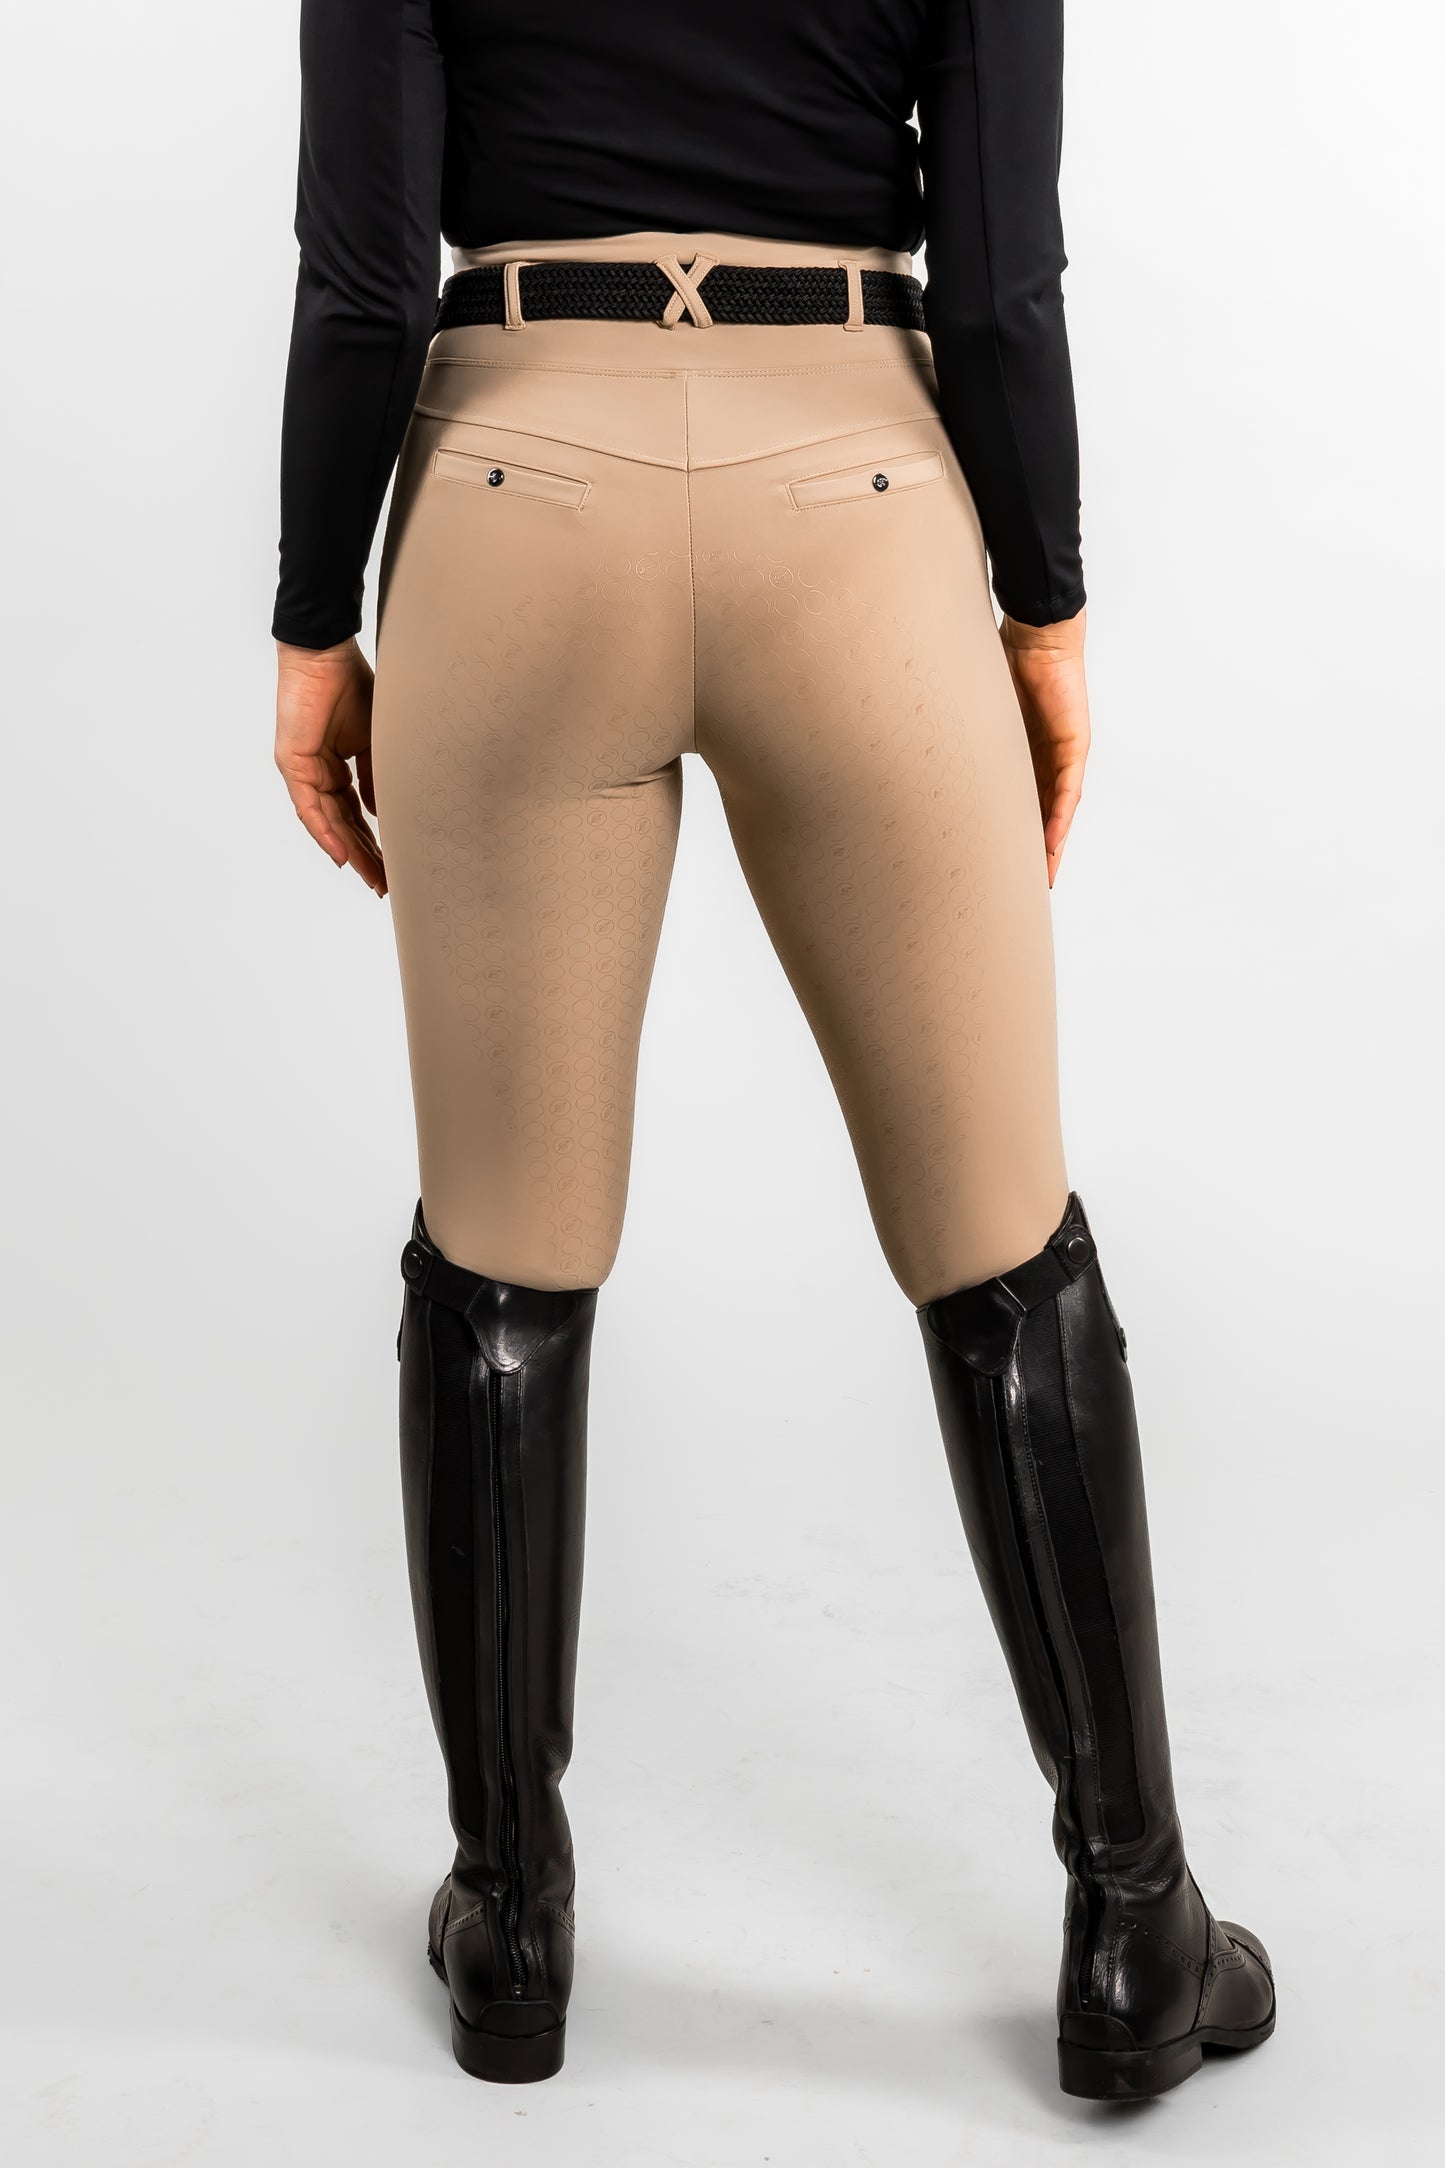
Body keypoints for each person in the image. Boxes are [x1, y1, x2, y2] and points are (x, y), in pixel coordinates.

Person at [271, 0, 1274, 2102]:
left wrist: (309, 624)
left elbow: (363, 270)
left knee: (503, 1249)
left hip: (517, 483)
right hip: (857, 496)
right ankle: (1131, 1921)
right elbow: (998, 271)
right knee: (999, 1236)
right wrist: (1045, 605)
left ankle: (511, 1915)